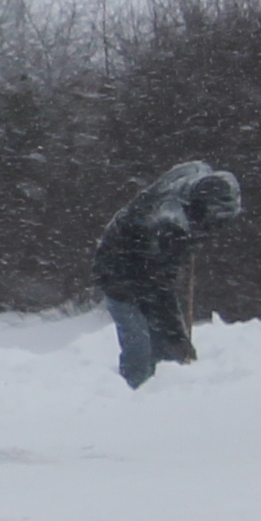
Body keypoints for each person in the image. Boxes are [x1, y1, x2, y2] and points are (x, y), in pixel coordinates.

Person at [92, 160, 241, 389]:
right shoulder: (169, 226)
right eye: (217, 222)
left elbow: (196, 164)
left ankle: (167, 394)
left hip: (144, 261)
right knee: (140, 346)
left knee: (166, 347)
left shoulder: (197, 178)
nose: (217, 229)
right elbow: (158, 288)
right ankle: (134, 397)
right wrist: (178, 337)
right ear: (204, 210)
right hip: (117, 269)